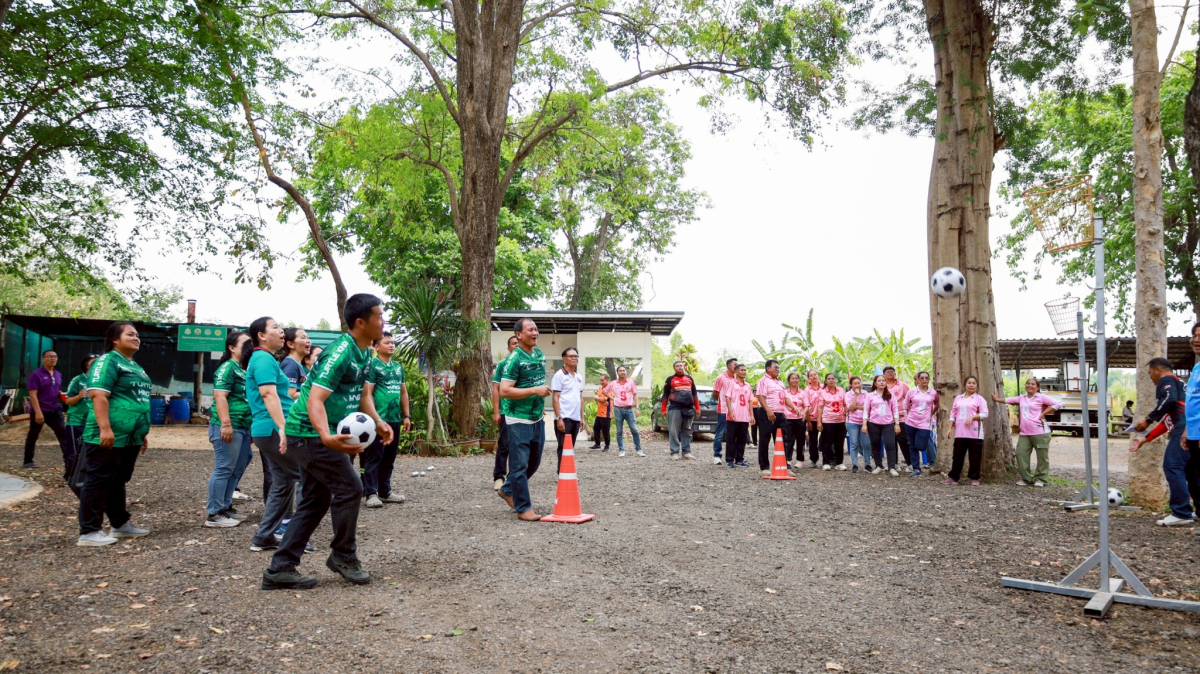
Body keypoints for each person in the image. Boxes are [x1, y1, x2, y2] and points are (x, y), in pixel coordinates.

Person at [262, 294, 392, 590]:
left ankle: (280, 568)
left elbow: (362, 396)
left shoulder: (363, 353)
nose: (382, 321)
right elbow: (316, 399)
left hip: (316, 434)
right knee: (350, 487)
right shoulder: (340, 353)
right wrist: (325, 436)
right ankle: (343, 555)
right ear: (361, 322)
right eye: (379, 316)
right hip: (308, 434)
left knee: (315, 499)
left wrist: (379, 421)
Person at [76, 323, 152, 546]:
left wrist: (141, 432)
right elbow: (98, 396)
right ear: (115, 339)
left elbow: (137, 401)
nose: (136, 338)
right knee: (98, 480)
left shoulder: (134, 365)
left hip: (130, 436)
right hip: (107, 434)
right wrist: (105, 428)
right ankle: (89, 531)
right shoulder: (107, 361)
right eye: (130, 334)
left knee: (118, 480)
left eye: (137, 335)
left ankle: (120, 524)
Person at [243, 317, 310, 554]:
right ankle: (298, 537)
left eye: (281, 328)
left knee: (282, 484)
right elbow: (268, 394)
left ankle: (263, 537)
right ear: (261, 335)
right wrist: (283, 427)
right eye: (275, 328)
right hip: (273, 428)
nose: (281, 331)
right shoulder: (262, 358)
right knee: (306, 477)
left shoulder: (266, 358)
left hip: (268, 429)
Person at [497, 318, 551, 521]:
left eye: (536, 329)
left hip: (537, 417)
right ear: (518, 335)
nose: (535, 332)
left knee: (534, 461)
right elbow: (504, 391)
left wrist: (538, 399)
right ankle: (523, 508)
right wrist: (534, 391)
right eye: (530, 329)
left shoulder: (539, 354)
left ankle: (507, 489)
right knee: (519, 465)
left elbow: (536, 381)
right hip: (517, 419)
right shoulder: (513, 360)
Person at [1134, 357, 1194, 526]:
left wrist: (1148, 419)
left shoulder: (1166, 380)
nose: (1151, 377)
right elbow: (1169, 417)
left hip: (1184, 427)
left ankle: (1181, 512)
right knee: (1191, 469)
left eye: (1150, 373)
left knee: (1172, 465)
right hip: (1191, 426)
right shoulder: (1180, 383)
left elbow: (1169, 399)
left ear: (1158, 369)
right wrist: (1146, 439)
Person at [205, 331, 253, 528]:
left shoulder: (244, 369)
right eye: (245, 344)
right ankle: (214, 513)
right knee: (224, 467)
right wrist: (226, 424)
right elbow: (220, 396)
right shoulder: (228, 368)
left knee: (237, 467)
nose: (250, 347)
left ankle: (225, 507)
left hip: (242, 426)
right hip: (228, 426)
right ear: (232, 348)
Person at [362, 331, 411, 508]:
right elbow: (367, 393)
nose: (391, 345)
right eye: (387, 342)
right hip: (378, 419)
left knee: (389, 457)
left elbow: (403, 392)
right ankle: (371, 493)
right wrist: (374, 419)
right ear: (376, 347)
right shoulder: (372, 366)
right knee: (374, 456)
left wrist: (406, 415)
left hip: (394, 419)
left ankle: (385, 491)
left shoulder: (398, 367)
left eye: (393, 342)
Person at [993, 378, 1062, 487]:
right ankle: (1027, 478)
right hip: (1025, 433)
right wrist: (996, 399)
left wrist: (1044, 413)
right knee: (1021, 454)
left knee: (1042, 456)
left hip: (1040, 431)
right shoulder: (1022, 398)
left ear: (1038, 387)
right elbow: (1009, 400)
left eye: (1033, 384)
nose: (1030, 386)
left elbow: (1058, 404)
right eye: (1028, 384)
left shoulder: (1041, 397)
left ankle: (1041, 479)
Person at [24, 349, 69, 468]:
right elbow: (32, 395)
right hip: (40, 410)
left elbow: (57, 390)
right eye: (49, 356)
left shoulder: (58, 374)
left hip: (54, 409)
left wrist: (64, 397)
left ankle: (70, 459)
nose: (52, 359)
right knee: (33, 435)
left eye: (55, 356)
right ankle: (28, 461)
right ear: (43, 359)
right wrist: (38, 413)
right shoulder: (36, 375)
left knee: (63, 433)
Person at [943, 375, 988, 486]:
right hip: (960, 433)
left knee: (975, 457)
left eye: (974, 383)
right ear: (965, 385)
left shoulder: (979, 399)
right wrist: (949, 428)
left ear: (977, 386)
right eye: (969, 382)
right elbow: (953, 414)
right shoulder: (958, 398)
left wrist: (972, 417)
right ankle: (953, 477)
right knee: (957, 456)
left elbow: (985, 413)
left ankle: (975, 478)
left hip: (975, 433)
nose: (971, 385)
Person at [62, 355, 97, 496]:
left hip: (92, 422)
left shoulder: (100, 381)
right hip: (76, 422)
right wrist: (78, 396)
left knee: (89, 452)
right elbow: (68, 401)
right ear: (86, 366)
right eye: (93, 363)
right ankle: (71, 477)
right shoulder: (78, 380)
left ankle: (86, 479)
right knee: (74, 453)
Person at [491, 335, 520, 490]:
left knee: (521, 446)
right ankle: (499, 477)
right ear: (509, 348)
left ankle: (513, 477)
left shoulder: (526, 364)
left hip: (524, 412)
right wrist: (497, 411)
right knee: (505, 444)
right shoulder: (502, 365)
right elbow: (496, 389)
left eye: (518, 343)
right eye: (513, 344)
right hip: (507, 410)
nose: (517, 345)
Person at [754, 360, 789, 476]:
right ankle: (764, 467)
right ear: (768, 368)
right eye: (775, 367)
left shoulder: (780, 382)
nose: (778, 369)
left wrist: (794, 407)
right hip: (766, 412)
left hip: (780, 414)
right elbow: (760, 396)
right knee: (764, 440)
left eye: (778, 367)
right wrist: (768, 410)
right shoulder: (763, 380)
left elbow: (785, 398)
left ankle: (784, 465)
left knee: (783, 440)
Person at [862, 375, 901, 476]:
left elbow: (895, 410)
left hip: (888, 424)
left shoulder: (891, 395)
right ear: (875, 383)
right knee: (875, 445)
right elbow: (866, 411)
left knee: (890, 445)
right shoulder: (870, 396)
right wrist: (864, 424)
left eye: (883, 380)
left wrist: (897, 424)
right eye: (879, 381)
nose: (882, 382)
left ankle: (892, 467)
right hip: (873, 424)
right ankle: (879, 466)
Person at [551, 347, 584, 468]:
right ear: (564, 359)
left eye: (576, 356)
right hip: (564, 417)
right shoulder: (559, 375)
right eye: (571, 356)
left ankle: (567, 472)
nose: (574, 358)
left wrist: (582, 417)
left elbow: (580, 398)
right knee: (563, 446)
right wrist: (559, 417)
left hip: (575, 418)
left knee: (571, 446)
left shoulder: (579, 376)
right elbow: (555, 398)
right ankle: (562, 473)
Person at [661, 360, 701, 460]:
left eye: (681, 366)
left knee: (687, 430)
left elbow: (694, 394)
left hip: (689, 408)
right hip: (675, 408)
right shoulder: (670, 379)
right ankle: (674, 453)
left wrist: (698, 408)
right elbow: (665, 395)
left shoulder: (689, 378)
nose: (680, 367)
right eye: (677, 366)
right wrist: (663, 409)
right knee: (674, 431)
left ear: (684, 367)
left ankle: (686, 452)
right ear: (674, 368)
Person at [904, 371, 939, 476]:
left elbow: (937, 404)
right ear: (918, 380)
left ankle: (930, 462)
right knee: (912, 446)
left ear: (929, 380)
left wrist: (931, 414)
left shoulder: (933, 393)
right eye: (922, 378)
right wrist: (911, 414)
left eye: (926, 378)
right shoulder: (912, 391)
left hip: (925, 423)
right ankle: (916, 468)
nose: (924, 380)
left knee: (921, 446)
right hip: (911, 422)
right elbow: (906, 405)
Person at [1184, 322, 1200, 538]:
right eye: (1194, 335)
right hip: (1195, 432)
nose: (1196, 339)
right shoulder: (1197, 367)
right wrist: (1188, 430)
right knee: (1191, 471)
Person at [606, 366, 643, 457]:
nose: (622, 372)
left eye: (624, 370)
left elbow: (635, 395)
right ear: (617, 373)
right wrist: (612, 398)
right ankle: (621, 450)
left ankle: (639, 450)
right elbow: (604, 391)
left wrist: (637, 408)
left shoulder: (631, 382)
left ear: (626, 372)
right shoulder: (613, 383)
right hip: (618, 409)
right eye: (620, 371)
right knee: (619, 430)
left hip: (629, 409)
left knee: (634, 430)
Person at [722, 364, 754, 468]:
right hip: (733, 416)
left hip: (744, 416)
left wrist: (751, 415)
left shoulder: (747, 385)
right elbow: (728, 398)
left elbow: (750, 401)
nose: (744, 372)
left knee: (742, 438)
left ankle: (739, 458)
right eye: (742, 370)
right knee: (731, 438)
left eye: (745, 370)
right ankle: (729, 460)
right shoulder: (731, 383)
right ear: (736, 372)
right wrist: (730, 412)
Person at [816, 373, 847, 470]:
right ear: (825, 381)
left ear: (836, 380)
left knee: (839, 442)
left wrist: (847, 418)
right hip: (828, 420)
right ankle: (826, 463)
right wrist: (819, 421)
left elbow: (845, 404)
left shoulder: (841, 390)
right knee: (827, 443)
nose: (831, 380)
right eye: (829, 379)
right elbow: (820, 407)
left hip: (841, 420)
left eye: (833, 378)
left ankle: (839, 463)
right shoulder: (822, 392)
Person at [883, 366, 912, 467]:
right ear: (884, 375)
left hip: (901, 417)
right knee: (890, 442)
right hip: (886, 419)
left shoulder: (902, 385)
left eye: (892, 371)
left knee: (904, 441)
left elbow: (910, 399)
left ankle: (910, 464)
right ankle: (893, 464)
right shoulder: (882, 386)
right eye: (888, 372)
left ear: (895, 374)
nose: (890, 373)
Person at [711, 358, 738, 465]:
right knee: (720, 433)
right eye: (734, 364)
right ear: (728, 366)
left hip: (735, 411)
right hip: (723, 410)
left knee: (734, 434)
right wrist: (722, 402)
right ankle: (717, 456)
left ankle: (734, 456)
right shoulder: (721, 378)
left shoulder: (737, 379)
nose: (736, 366)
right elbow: (715, 393)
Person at [781, 372, 808, 467]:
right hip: (787, 418)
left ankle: (800, 460)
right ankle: (787, 459)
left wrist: (804, 412)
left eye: (796, 378)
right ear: (789, 381)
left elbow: (806, 405)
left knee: (800, 440)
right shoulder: (785, 392)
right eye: (792, 378)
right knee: (788, 440)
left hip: (800, 419)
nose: (794, 380)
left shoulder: (803, 392)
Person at [844, 376, 870, 473]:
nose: (857, 385)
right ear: (851, 385)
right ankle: (854, 464)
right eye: (855, 383)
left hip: (864, 422)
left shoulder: (866, 393)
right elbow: (850, 408)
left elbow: (867, 407)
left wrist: (856, 407)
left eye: (859, 383)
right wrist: (855, 396)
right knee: (854, 444)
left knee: (866, 444)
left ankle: (867, 464)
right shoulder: (848, 394)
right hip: (852, 422)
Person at [802, 370, 823, 468]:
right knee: (813, 440)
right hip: (812, 418)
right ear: (809, 378)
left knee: (827, 439)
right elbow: (806, 406)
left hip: (825, 418)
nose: (814, 376)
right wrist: (809, 421)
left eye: (815, 374)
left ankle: (830, 459)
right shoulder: (807, 390)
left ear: (818, 376)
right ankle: (814, 460)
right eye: (811, 375)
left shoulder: (824, 387)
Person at [590, 374, 612, 451]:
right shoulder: (600, 388)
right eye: (600, 380)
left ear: (607, 380)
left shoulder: (609, 389)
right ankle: (597, 444)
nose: (601, 382)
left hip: (606, 414)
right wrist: (599, 398)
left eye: (603, 380)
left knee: (605, 430)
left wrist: (598, 398)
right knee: (596, 428)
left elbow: (603, 399)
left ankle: (607, 445)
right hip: (599, 413)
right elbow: (597, 397)